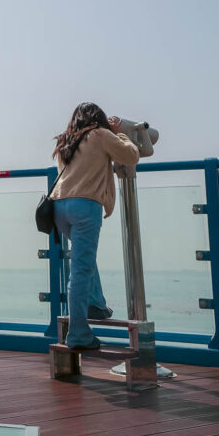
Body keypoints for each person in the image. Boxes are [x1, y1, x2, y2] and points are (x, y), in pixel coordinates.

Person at [50, 102, 139, 351]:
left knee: (84, 261)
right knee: (80, 271)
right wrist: (118, 132)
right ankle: (78, 334)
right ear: (98, 118)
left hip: (60, 208)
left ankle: (96, 304)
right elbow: (130, 155)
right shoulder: (100, 135)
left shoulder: (66, 140)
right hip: (84, 207)